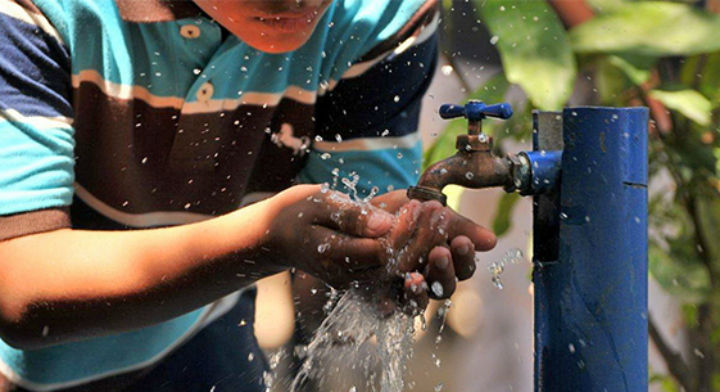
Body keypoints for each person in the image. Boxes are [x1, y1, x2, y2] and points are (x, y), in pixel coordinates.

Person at [0, 0, 497, 390]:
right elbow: (18, 283)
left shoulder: (376, 14)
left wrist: (382, 253)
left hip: (203, 340)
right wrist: (264, 240)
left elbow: (334, 279)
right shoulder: (44, 10)